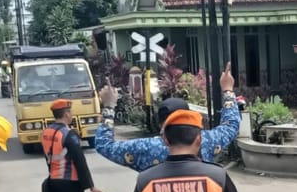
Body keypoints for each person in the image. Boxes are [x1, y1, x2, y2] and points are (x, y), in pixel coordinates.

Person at [96, 63, 239, 171]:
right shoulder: (206, 141)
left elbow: (104, 145)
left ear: (162, 127)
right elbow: (231, 124)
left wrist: (109, 106)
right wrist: (227, 89)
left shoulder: (146, 148)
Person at [42, 99, 103, 192]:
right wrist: (91, 186)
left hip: (54, 183)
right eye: (70, 112)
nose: (72, 114)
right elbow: (80, 161)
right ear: (66, 114)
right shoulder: (68, 134)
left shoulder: (46, 132)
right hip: (71, 185)